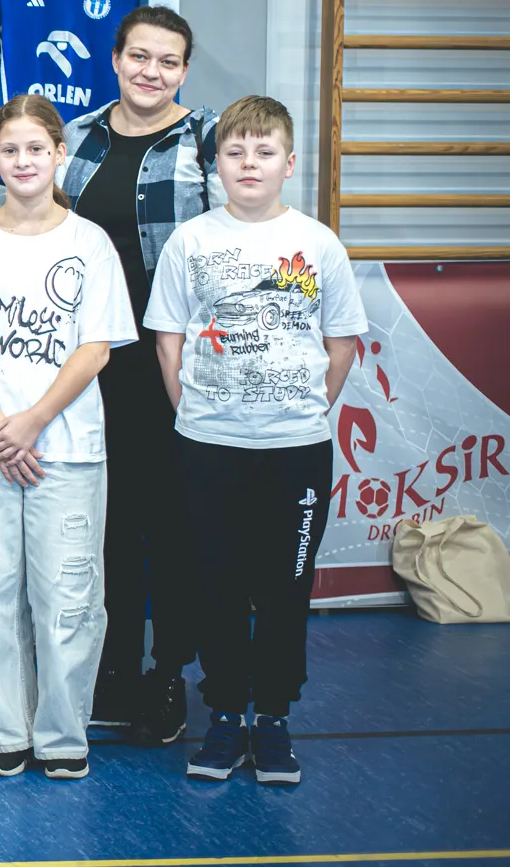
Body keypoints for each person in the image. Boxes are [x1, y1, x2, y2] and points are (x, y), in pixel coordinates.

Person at [145, 96, 366, 786]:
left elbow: (341, 343)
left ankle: (271, 717)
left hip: (295, 450)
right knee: (213, 584)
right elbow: (168, 340)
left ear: (288, 163)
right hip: (207, 447)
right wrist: (196, 414)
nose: (249, 164)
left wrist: (302, 411)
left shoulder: (318, 244)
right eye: (235, 152)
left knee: (284, 589)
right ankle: (223, 716)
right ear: (216, 163)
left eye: (263, 152)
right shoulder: (191, 242)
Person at [0, 94, 136, 780]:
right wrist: (0, 428)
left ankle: (63, 735)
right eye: (10, 149)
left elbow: (95, 348)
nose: (23, 161)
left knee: (67, 597)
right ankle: (2, 732)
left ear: (58, 156)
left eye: (36, 149)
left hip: (67, 449)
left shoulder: (88, 242)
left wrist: (34, 421)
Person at [59, 5, 223, 743]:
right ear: (116, 58)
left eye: (168, 61)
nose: (151, 72)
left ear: (184, 71)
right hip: (95, 360)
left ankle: (169, 674)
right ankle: (115, 668)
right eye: (139, 57)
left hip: (176, 361)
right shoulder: (79, 136)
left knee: (174, 527)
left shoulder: (208, 138)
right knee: (109, 526)